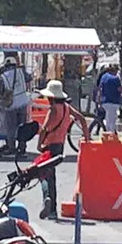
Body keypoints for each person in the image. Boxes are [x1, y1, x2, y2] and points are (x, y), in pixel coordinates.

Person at [36, 80, 89, 219]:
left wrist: (39, 145)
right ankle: (52, 209)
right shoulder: (66, 108)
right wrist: (87, 138)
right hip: (60, 146)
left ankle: (48, 200)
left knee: (42, 174)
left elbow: (44, 129)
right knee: (50, 175)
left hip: (49, 146)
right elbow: (82, 119)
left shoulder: (53, 109)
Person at [0, 53, 30, 154]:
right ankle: (22, 147)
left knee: (11, 127)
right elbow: (29, 78)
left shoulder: (4, 76)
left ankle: (11, 147)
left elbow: (0, 90)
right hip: (23, 103)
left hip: (11, 104)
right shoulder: (22, 72)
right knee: (22, 126)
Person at [98, 64, 122, 134]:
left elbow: (100, 89)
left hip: (105, 101)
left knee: (108, 118)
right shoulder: (116, 78)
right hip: (114, 101)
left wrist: (99, 100)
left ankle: (108, 132)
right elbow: (120, 89)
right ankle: (111, 134)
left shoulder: (104, 77)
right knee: (112, 120)